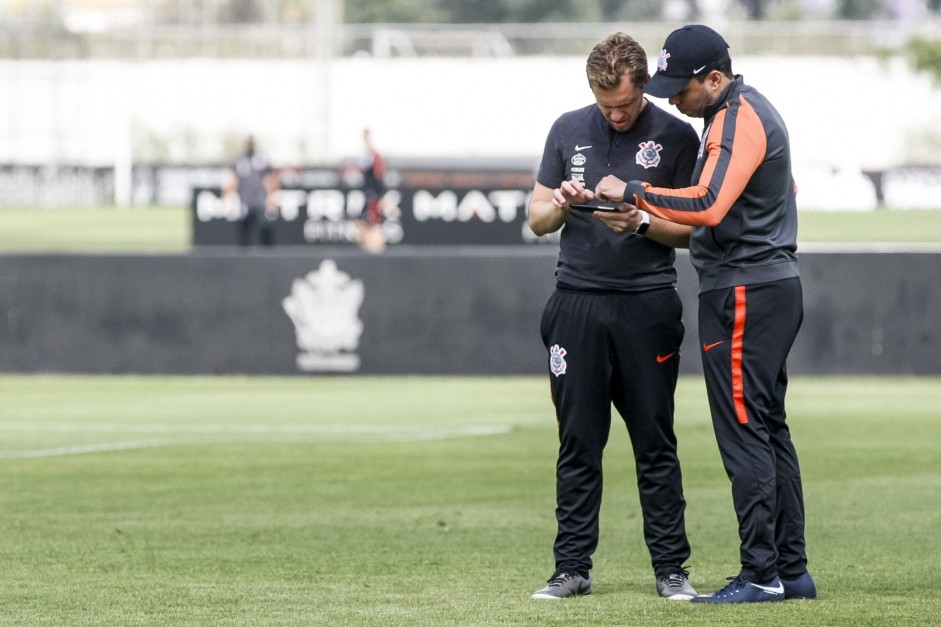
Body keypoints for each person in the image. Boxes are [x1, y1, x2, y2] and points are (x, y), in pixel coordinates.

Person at [593, 24, 816, 604]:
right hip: (760, 286)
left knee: (744, 432)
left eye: (680, 87)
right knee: (767, 429)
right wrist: (643, 219)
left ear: (715, 78)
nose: (671, 98)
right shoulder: (735, 114)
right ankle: (790, 571)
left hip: (744, 290)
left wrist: (634, 190)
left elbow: (710, 205)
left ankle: (762, 574)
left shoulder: (738, 117)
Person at [527, 32, 701, 602]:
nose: (616, 114)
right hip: (575, 302)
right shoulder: (566, 128)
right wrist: (558, 204)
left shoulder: (676, 136)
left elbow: (694, 229)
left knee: (654, 440)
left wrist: (642, 222)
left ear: (645, 85)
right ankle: (571, 568)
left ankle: (671, 568)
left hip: (646, 304)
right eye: (606, 106)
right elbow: (535, 217)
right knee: (578, 440)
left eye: (624, 104)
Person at [223, 135, 279, 247]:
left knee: (265, 229)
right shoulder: (239, 160)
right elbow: (233, 181)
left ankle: (267, 259)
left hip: (260, 202)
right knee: (243, 234)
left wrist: (271, 198)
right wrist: (228, 198)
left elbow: (270, 179)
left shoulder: (261, 160)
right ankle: (243, 260)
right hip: (244, 202)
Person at [355, 128, 388, 253]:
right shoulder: (367, 155)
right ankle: (370, 245)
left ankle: (374, 246)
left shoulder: (375, 156)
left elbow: (378, 175)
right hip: (369, 192)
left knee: (373, 225)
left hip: (374, 192)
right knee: (364, 225)